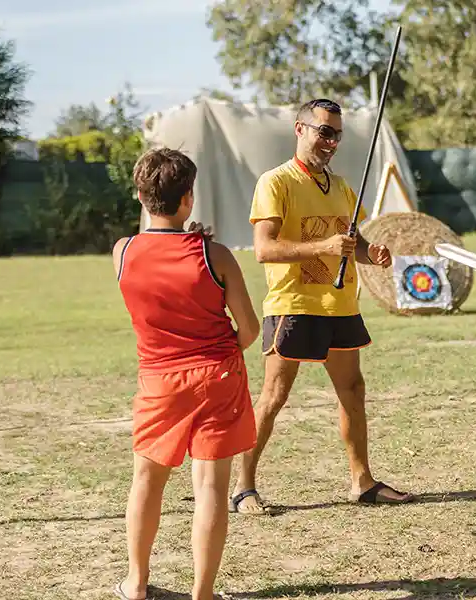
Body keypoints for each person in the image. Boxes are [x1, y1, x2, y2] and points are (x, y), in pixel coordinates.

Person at [229, 98, 414, 515]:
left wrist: (373, 254)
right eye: (324, 132)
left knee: (353, 390)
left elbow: (354, 244)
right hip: (294, 304)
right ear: (300, 129)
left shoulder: (344, 187)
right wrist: (324, 247)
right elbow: (264, 249)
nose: (331, 141)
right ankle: (244, 487)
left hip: (340, 306)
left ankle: (362, 481)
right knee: (275, 396)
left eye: (337, 134)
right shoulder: (274, 183)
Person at [112, 147, 260, 600]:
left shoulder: (122, 251)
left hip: (159, 382)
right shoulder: (215, 255)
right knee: (210, 487)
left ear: (140, 195)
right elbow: (250, 329)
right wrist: (218, 352)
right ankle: (203, 594)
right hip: (217, 377)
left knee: (146, 482)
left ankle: (136, 584)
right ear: (189, 198)